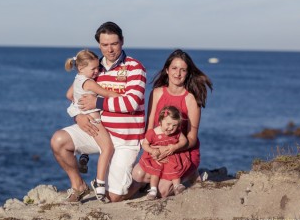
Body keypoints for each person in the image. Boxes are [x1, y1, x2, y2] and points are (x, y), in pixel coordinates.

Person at [50, 21, 146, 203]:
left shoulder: (135, 68)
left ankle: (142, 179)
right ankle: (78, 185)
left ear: (122, 42)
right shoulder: (94, 67)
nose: (109, 49)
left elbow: (131, 103)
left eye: (114, 44)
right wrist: (78, 116)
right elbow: (74, 96)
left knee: (114, 197)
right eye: (104, 45)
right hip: (98, 130)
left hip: (125, 138)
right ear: (99, 45)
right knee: (58, 141)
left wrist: (97, 102)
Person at [129, 49, 212, 198]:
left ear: (187, 73)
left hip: (182, 151)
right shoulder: (156, 93)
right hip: (157, 148)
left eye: (183, 70)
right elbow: (149, 130)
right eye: (174, 68)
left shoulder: (191, 99)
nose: (178, 73)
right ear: (167, 70)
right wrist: (153, 150)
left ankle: (191, 173)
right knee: (138, 175)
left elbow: (192, 139)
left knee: (162, 191)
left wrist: (171, 148)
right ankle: (159, 179)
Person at [64, 49, 119, 202]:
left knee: (99, 145)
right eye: (93, 69)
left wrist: (79, 106)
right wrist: (122, 97)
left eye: (98, 68)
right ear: (81, 67)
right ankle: (99, 182)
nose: (97, 71)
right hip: (95, 122)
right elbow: (107, 93)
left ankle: (84, 156)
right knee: (107, 148)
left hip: (85, 121)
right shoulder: (88, 82)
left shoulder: (77, 79)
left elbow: (69, 95)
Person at [139, 106, 190, 200]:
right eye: (168, 124)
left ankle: (177, 186)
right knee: (155, 170)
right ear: (160, 122)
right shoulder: (153, 133)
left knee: (174, 168)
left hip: (171, 156)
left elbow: (184, 141)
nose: (171, 128)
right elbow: (144, 144)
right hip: (156, 155)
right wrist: (152, 150)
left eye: (175, 125)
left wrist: (175, 146)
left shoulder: (177, 133)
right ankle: (153, 190)